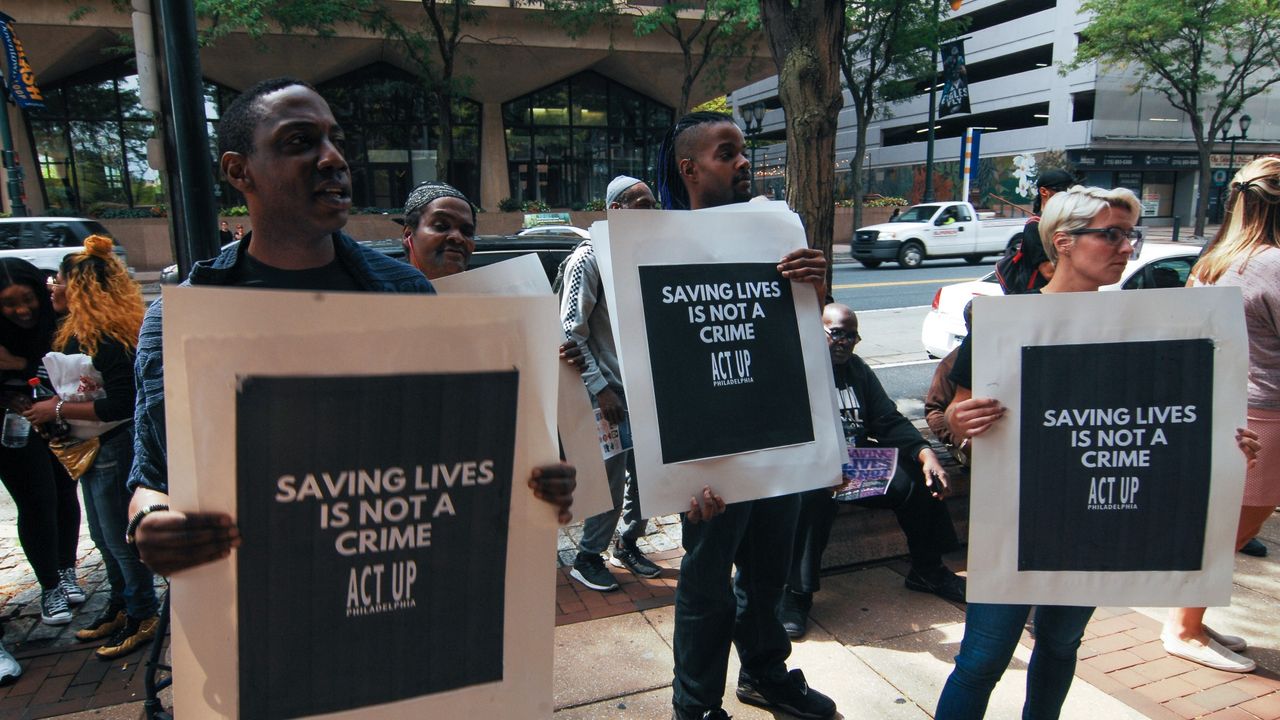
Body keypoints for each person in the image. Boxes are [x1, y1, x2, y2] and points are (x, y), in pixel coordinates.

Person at [125, 78, 575, 579]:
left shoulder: (406, 295)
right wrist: (149, 520)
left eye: (335, 140)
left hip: (400, 591)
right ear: (239, 170)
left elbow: (451, 453)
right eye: (300, 142)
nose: (333, 159)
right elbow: (150, 476)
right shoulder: (180, 317)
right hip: (262, 602)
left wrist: (530, 481)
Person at [936, 185, 1259, 718]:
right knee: (982, 657)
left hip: (1093, 520)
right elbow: (958, 414)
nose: (1125, 247)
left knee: (1061, 646)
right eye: (1110, 234)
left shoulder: (1142, 329)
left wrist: (1221, 445)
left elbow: (1165, 422)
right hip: (1016, 522)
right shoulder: (1007, 324)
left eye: (1130, 234)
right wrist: (956, 419)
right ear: (1062, 242)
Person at [656, 111, 835, 720]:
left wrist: (815, 286)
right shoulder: (653, 247)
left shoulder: (773, 234)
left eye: (742, 152)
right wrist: (671, 470)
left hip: (776, 437)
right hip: (707, 449)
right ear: (690, 168)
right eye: (726, 153)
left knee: (767, 572)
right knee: (706, 582)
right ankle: (696, 703)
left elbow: (800, 341)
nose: (742, 164)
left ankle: (765, 672)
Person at [780, 303, 962, 638]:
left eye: (852, 336)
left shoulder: (858, 370)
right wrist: (823, 466)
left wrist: (925, 454)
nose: (844, 342)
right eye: (837, 333)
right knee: (810, 498)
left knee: (919, 479)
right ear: (816, 331)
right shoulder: (796, 370)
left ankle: (927, 570)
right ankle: (796, 594)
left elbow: (888, 420)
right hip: (813, 469)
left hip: (858, 463)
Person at [1165, 156, 1280, 673]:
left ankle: (1191, 621)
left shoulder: (1213, 261)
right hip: (1266, 414)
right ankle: (1184, 628)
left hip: (1228, 405)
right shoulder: (1273, 263)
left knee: (1222, 528)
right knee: (1231, 532)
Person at [24, 236, 159, 659]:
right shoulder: (76, 331)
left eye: (59, 278)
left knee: (119, 537)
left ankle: (143, 613)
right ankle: (121, 606)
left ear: (79, 286)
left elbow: (122, 402)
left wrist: (58, 408)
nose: (51, 285)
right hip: (92, 446)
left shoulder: (107, 338)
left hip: (112, 445)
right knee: (102, 535)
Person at [561, 175, 661, 592]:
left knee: (651, 474)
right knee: (610, 479)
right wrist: (600, 388)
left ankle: (629, 542)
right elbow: (570, 331)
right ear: (616, 210)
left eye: (654, 204)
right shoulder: (589, 258)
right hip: (610, 395)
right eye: (644, 204)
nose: (652, 212)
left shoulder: (641, 255)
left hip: (646, 390)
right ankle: (588, 556)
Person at [0, 258, 82, 628]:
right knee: (37, 501)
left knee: (65, 493)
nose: (21, 309)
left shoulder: (57, 320)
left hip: (57, 418)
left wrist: (17, 362)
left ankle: (67, 570)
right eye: (9, 303)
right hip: (11, 428)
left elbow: (65, 362)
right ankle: (50, 586)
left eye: (28, 298)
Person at [995, 168, 1073, 295]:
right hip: (1037, 297)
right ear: (1044, 192)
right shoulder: (1035, 226)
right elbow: (1049, 272)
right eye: (1061, 191)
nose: (1066, 196)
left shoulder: (1063, 223)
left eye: (1069, 192)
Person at [925, 302, 973, 466]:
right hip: (968, 443)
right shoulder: (952, 362)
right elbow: (934, 410)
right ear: (968, 327)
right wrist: (960, 441)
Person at [400, 180, 476, 280]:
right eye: (441, 226)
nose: (457, 237)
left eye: (467, 232)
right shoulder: (381, 290)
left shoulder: (489, 290)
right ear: (408, 234)